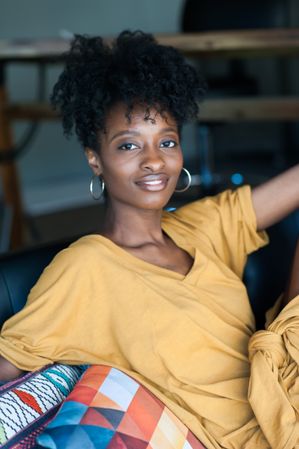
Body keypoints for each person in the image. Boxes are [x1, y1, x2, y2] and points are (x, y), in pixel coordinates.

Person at [0, 30, 299, 448]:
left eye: (167, 141)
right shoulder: (85, 268)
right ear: (95, 158)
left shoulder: (200, 227)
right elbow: (8, 364)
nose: (155, 160)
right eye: (128, 146)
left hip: (286, 394)